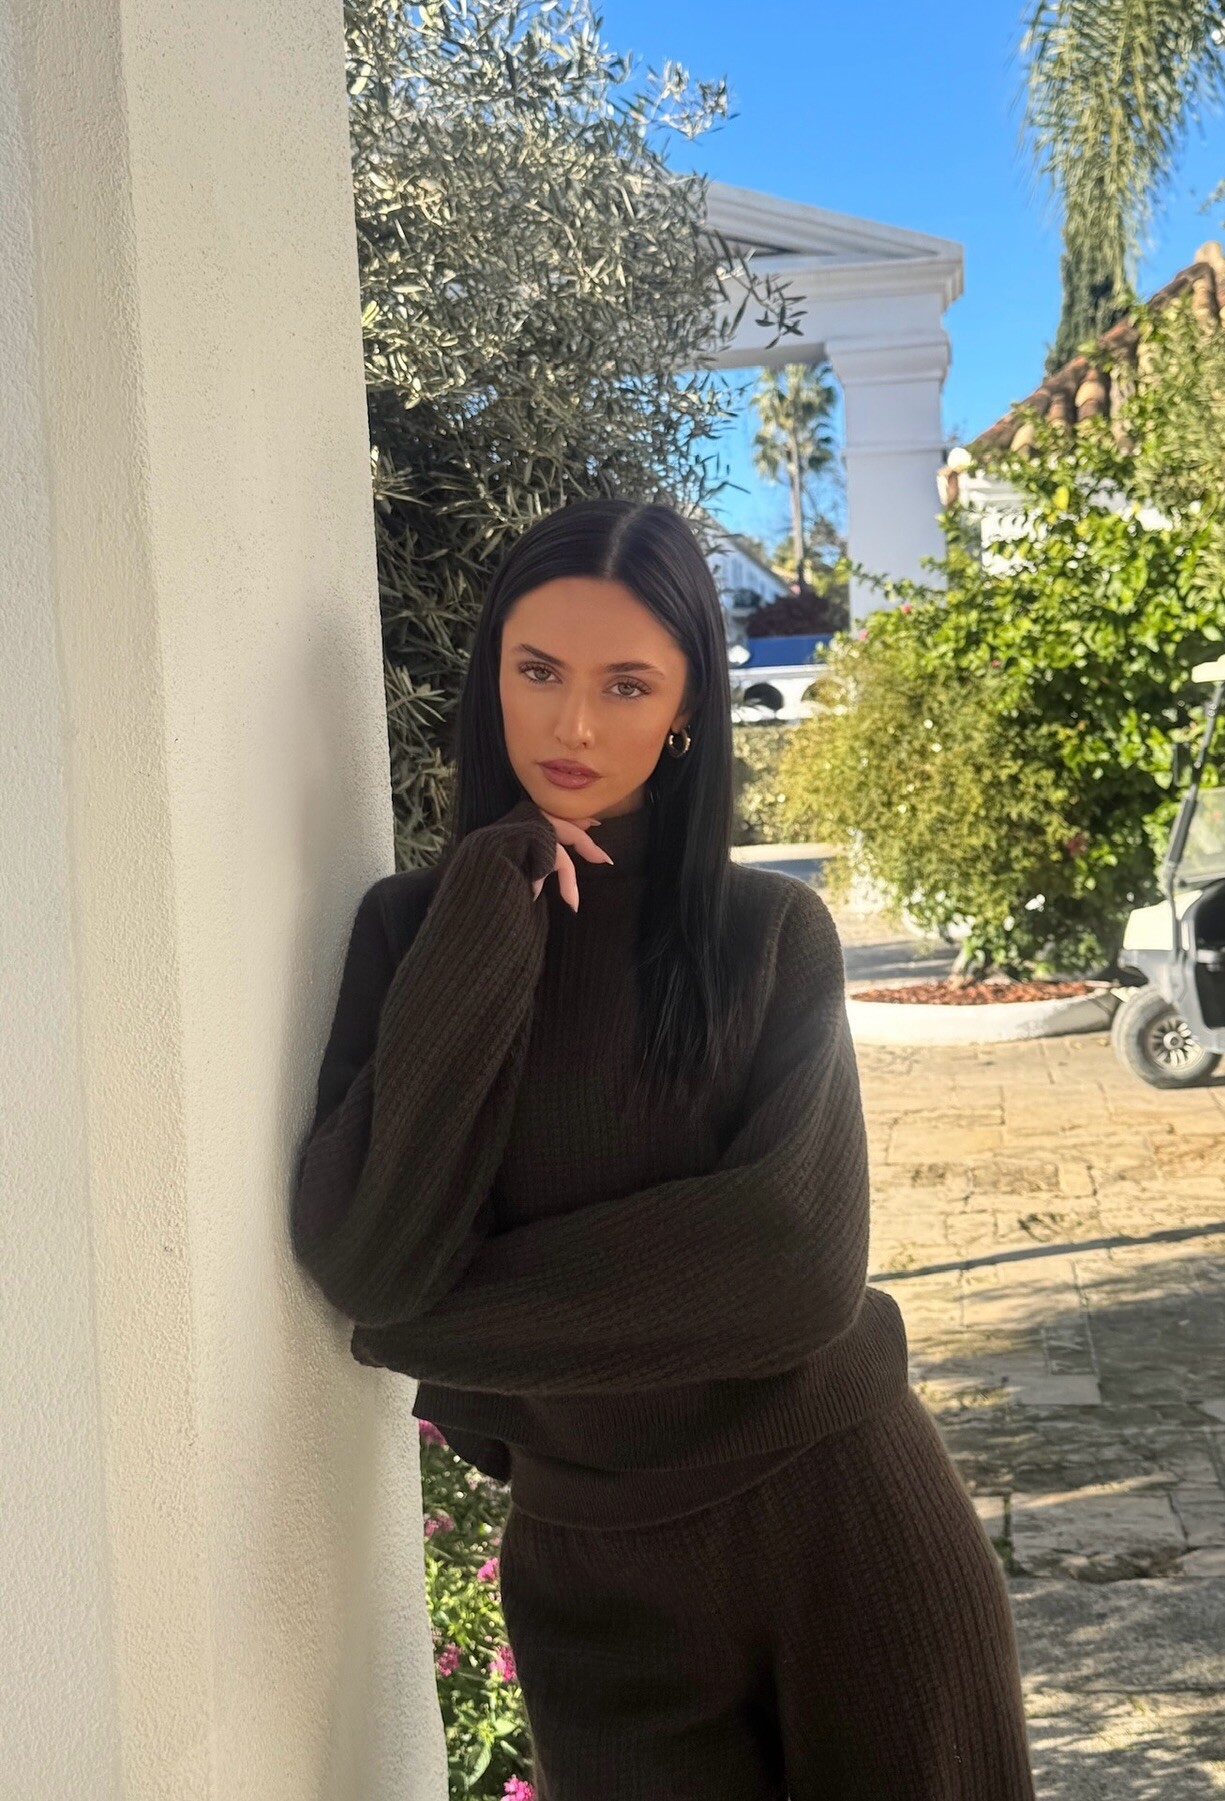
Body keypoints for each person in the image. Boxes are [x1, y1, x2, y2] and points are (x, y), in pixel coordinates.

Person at [290, 497, 1036, 1800]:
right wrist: (487, 913)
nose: (574, 726)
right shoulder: (413, 934)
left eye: (626, 685)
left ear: (687, 707)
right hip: (591, 1573)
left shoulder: (768, 937)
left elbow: (794, 1268)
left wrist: (429, 1328)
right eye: (539, 672)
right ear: (492, 679)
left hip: (843, 1520)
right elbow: (369, 1252)